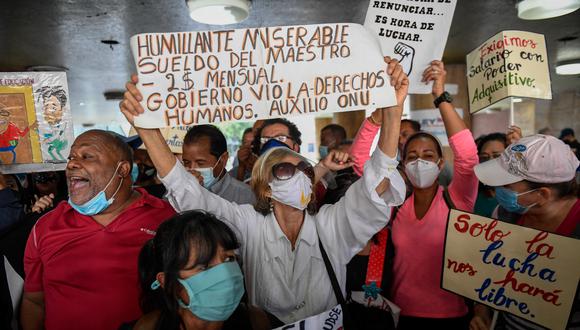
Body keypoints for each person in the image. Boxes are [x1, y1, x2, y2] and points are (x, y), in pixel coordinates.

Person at [119, 58, 408, 324]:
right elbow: (189, 194)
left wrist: (393, 115)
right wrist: (148, 132)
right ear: (265, 188)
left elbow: (374, 191)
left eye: (306, 171)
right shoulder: (248, 224)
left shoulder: (332, 224)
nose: (301, 178)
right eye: (285, 170)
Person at [350, 60, 478, 329]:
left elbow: (467, 156)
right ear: (403, 166)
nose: (420, 162)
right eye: (412, 157)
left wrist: (439, 96)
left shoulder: (457, 200)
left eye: (428, 156)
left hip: (453, 316)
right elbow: (361, 160)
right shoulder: (394, 203)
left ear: (440, 163)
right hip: (400, 314)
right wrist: (382, 112)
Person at [21, 130, 175, 330]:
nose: (72, 164)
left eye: (87, 156)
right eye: (71, 157)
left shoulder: (166, 218)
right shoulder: (45, 226)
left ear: (122, 169)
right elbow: (34, 302)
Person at [470, 134, 580, 330]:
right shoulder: (503, 214)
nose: (497, 189)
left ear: (542, 194)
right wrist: (483, 311)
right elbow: (489, 272)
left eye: (506, 185)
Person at [130, 210, 270, 330]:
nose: (225, 274)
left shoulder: (257, 322)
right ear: (167, 282)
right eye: (204, 266)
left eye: (229, 259)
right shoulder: (150, 327)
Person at [182, 124, 255, 205]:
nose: (192, 169)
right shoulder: (178, 194)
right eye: (186, 162)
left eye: (200, 163)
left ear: (223, 159)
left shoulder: (247, 196)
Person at [474, 133, 507, 217]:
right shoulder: (473, 196)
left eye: (497, 156)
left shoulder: (516, 199)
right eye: (484, 157)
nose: (490, 162)